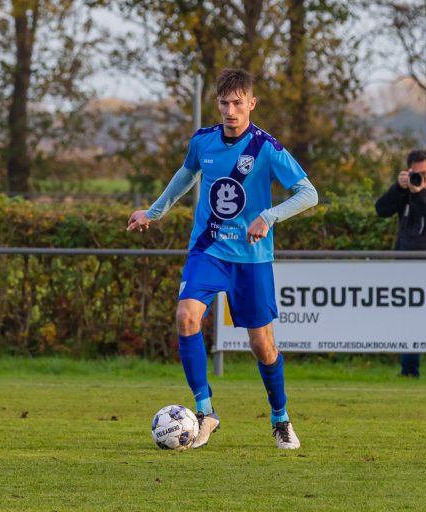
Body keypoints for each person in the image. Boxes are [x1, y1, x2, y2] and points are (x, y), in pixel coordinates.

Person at [127, 68, 318, 450]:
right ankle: (205, 411)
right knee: (186, 317)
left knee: (262, 345)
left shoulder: (266, 147)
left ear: (251, 103)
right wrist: (153, 212)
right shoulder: (203, 141)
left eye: (237, 103)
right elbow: (185, 175)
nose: (230, 111)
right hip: (208, 249)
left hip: (251, 259)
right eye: (224, 103)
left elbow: (308, 192)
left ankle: (279, 418)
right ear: (217, 104)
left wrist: (269, 215)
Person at [375, 150, 426, 377]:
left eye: (424, 173)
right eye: (415, 173)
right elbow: (381, 210)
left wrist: (420, 194)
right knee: (408, 317)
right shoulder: (405, 188)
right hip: (407, 263)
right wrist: (398, 188)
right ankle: (409, 370)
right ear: (408, 171)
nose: (420, 177)